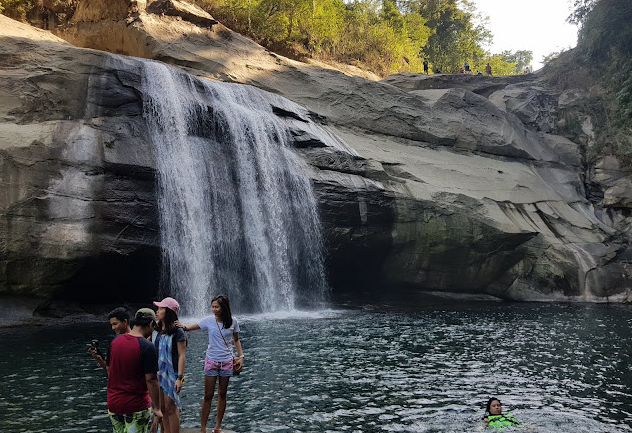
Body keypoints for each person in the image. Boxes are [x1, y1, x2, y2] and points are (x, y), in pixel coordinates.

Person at [177, 295, 244, 433]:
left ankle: (218, 427)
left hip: (226, 362)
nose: (213, 309)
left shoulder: (233, 322)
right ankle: (203, 429)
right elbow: (189, 327)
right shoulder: (208, 320)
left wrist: (241, 356)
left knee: (222, 394)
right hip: (211, 361)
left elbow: (236, 340)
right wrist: (180, 325)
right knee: (208, 396)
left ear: (223, 307)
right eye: (212, 306)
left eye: (216, 307)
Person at [107, 308, 163, 433]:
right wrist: (157, 409)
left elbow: (110, 371)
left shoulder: (115, 342)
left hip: (114, 404)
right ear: (151, 324)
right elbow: (152, 380)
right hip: (135, 406)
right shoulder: (147, 347)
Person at [153, 297, 187, 433]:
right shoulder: (156, 330)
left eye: (161, 308)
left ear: (168, 312)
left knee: (171, 407)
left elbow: (182, 355)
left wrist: (179, 377)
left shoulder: (178, 331)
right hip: (157, 373)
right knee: (161, 407)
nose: (157, 311)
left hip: (171, 373)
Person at [88, 307, 132, 373]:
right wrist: (99, 358)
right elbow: (108, 368)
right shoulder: (114, 343)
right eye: (111, 325)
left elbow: (109, 370)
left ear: (125, 322)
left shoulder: (115, 343)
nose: (113, 328)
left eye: (115, 324)